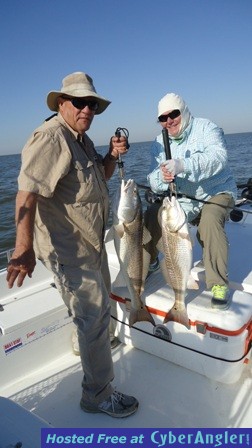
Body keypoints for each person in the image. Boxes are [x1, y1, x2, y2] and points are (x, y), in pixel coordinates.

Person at [6, 71, 138, 418]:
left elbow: (100, 178)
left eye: (91, 104)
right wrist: (23, 248)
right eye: (79, 102)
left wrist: (110, 154)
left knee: (95, 315)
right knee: (94, 318)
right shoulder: (52, 138)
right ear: (62, 103)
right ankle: (96, 394)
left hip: (91, 245)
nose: (87, 109)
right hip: (69, 252)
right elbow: (26, 193)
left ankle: (93, 347)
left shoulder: (80, 138)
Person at [145, 93, 237, 309]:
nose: (169, 121)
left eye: (174, 114)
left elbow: (218, 158)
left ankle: (218, 283)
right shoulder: (159, 142)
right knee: (152, 215)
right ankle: (151, 261)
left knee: (210, 221)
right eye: (163, 118)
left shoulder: (207, 128)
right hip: (183, 199)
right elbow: (152, 179)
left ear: (183, 112)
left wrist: (183, 165)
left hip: (216, 191)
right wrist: (162, 177)